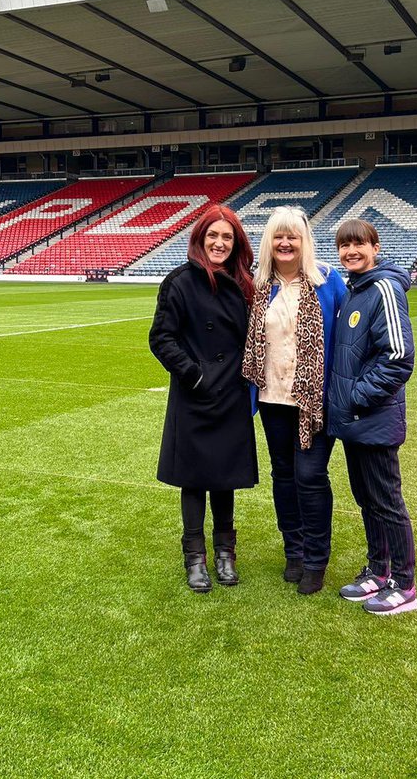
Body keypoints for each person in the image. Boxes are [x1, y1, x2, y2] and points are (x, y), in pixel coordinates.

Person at [149, 205, 258, 593]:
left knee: (224, 477)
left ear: (236, 243)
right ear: (200, 238)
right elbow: (161, 338)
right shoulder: (179, 282)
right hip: (195, 396)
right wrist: (194, 374)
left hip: (231, 394)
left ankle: (226, 553)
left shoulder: (245, 283)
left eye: (227, 237)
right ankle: (194, 557)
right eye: (213, 235)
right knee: (193, 480)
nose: (219, 243)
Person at [241, 206, 347, 595]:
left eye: (293, 236)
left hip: (315, 401)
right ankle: (294, 550)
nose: (285, 243)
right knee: (283, 475)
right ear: (269, 241)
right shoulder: (257, 286)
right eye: (279, 236)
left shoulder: (328, 282)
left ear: (305, 242)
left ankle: (317, 558)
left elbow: (346, 340)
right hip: (271, 398)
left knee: (310, 475)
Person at [328, 218, 417, 616]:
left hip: (374, 417)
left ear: (375, 247)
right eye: (345, 246)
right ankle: (378, 571)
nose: (351, 252)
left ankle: (404, 583)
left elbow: (398, 357)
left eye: (359, 245)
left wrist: (356, 398)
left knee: (386, 500)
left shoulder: (384, 287)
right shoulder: (354, 290)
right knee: (367, 499)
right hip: (354, 419)